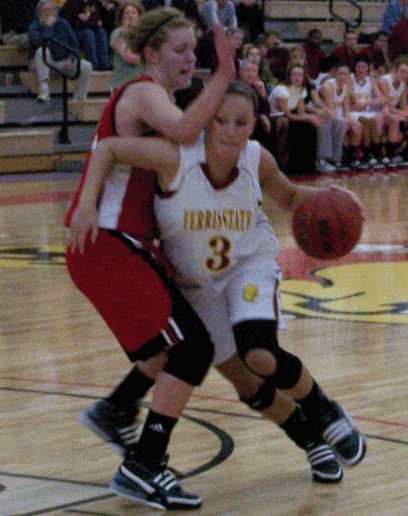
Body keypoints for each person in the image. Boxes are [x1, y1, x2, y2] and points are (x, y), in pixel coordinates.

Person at [69, 79, 367, 490]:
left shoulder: (255, 159)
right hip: (197, 285)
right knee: (244, 379)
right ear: (205, 121)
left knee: (260, 355)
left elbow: (290, 195)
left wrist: (340, 199)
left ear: (254, 126)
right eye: (220, 120)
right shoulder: (175, 156)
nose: (230, 129)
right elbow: (108, 148)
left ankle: (326, 412)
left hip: (248, 266)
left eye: (241, 122)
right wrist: (87, 203)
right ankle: (310, 439)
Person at [65, 7, 236, 510]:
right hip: (107, 243)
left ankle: (116, 410)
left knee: (167, 353)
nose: (191, 59)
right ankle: (143, 466)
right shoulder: (143, 93)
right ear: (152, 54)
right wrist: (223, 74)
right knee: (192, 349)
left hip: (124, 244)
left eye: (194, 50)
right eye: (181, 51)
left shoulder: (157, 100)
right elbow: (181, 132)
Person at [28, 0, 93, 103]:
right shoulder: (34, 26)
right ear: (39, 12)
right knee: (42, 50)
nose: (48, 13)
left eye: (50, 10)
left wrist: (70, 59)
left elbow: (74, 44)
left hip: (62, 61)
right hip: (43, 63)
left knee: (86, 66)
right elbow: (39, 42)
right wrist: (47, 27)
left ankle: (79, 100)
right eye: (44, 10)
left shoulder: (63, 23)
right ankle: (44, 91)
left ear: (55, 11)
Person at [268, 64, 321, 174]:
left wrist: (313, 118)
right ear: (289, 76)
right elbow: (287, 115)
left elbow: (301, 112)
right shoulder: (281, 89)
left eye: (300, 75)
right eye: (295, 75)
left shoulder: (301, 90)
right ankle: (281, 165)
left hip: (289, 116)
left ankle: (306, 166)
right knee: (289, 123)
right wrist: (309, 119)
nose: (297, 77)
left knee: (310, 125)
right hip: (275, 117)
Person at [377, 57, 408, 166]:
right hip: (378, 112)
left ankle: (407, 152)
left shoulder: (403, 85)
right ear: (395, 70)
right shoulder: (384, 81)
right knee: (396, 120)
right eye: (402, 71)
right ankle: (390, 155)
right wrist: (405, 115)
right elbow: (386, 105)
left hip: (391, 112)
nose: (405, 75)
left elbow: (404, 107)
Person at [319, 63, 363, 169]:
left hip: (335, 116)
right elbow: (330, 112)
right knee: (343, 125)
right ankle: (333, 159)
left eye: (345, 74)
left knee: (357, 126)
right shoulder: (328, 87)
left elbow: (346, 111)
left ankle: (350, 158)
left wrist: (352, 121)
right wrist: (348, 121)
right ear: (335, 74)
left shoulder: (346, 87)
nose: (342, 76)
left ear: (349, 76)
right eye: (340, 74)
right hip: (324, 116)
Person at [349, 57, 387, 169]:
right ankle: (368, 153)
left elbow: (382, 99)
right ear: (354, 68)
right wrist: (369, 103)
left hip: (364, 111)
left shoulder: (370, 80)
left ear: (368, 68)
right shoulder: (350, 79)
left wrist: (366, 103)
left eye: (364, 66)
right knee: (367, 120)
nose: (361, 69)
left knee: (378, 117)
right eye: (358, 66)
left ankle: (375, 152)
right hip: (351, 112)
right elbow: (352, 104)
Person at [59, 0, 112, 70]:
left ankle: (104, 63)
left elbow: (99, 22)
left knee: (101, 32)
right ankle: (93, 64)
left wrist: (89, 21)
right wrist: (91, 22)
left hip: (89, 29)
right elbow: (75, 23)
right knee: (89, 33)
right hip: (73, 33)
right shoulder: (71, 3)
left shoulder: (94, 3)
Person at [238, 58, 272, 149]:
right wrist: (261, 116)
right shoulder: (236, 88)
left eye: (254, 71)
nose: (250, 74)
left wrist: (263, 94)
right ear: (241, 72)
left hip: (256, 122)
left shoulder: (256, 88)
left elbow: (267, 111)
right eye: (248, 71)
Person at [109, 0, 144, 91]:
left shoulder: (143, 34)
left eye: (133, 12)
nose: (130, 15)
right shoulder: (118, 33)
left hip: (141, 83)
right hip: (122, 83)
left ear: (139, 15)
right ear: (122, 16)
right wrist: (148, 58)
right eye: (127, 13)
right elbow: (129, 57)